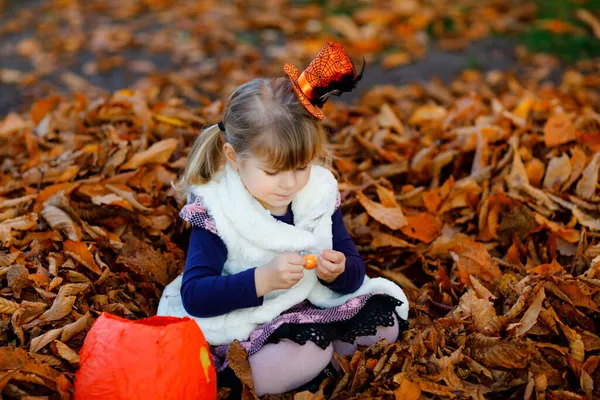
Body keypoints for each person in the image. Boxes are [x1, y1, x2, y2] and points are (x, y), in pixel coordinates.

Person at [157, 41, 409, 396]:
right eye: (274, 172)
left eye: (301, 167)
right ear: (233, 157)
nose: (290, 183)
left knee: (384, 324)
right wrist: (262, 279)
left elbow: (353, 270)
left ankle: (316, 365)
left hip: (311, 306)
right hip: (248, 319)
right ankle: (259, 377)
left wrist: (338, 271)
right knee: (300, 353)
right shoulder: (218, 210)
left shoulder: (317, 195)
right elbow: (196, 295)